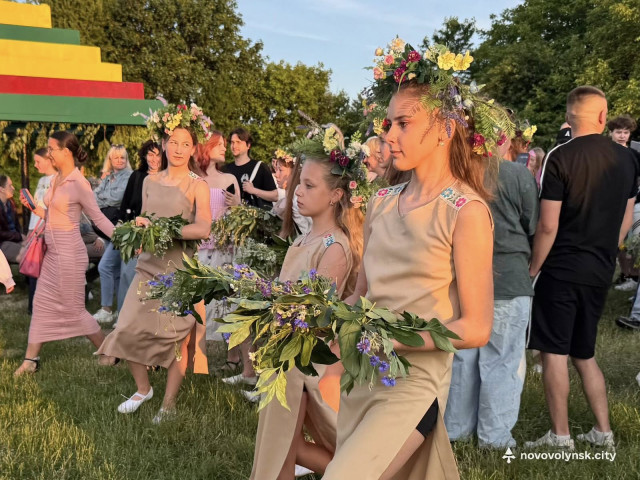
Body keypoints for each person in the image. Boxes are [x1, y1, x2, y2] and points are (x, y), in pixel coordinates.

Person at [321, 41, 499, 480]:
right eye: (389, 124)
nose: (389, 136)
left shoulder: (466, 212)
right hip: (363, 376)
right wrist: (316, 325)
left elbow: (476, 327)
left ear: (445, 129)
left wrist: (392, 340)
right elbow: (362, 297)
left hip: (414, 387)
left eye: (403, 123)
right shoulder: (381, 201)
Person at [526, 86, 637, 450]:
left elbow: (548, 225)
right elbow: (625, 218)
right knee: (584, 353)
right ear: (603, 117)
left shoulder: (559, 156)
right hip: (600, 267)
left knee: (554, 352)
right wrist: (607, 251)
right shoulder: (627, 159)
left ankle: (560, 436)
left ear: (569, 117)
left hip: (561, 268)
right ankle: (603, 432)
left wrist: (533, 269)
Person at [249, 142, 363, 480]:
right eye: (299, 183)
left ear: (335, 195)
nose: (297, 191)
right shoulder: (303, 239)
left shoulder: (335, 245)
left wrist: (271, 306)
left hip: (304, 356)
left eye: (309, 186)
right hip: (284, 350)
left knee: (282, 447)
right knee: (281, 445)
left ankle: (358, 474)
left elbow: (315, 312)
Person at [97, 105, 212, 424]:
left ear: (194, 148)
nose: (178, 149)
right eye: (173, 142)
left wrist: (166, 230)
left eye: (185, 144)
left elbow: (203, 227)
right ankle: (143, 389)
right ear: (163, 143)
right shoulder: (149, 181)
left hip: (179, 272)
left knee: (176, 339)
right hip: (147, 266)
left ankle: (168, 405)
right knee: (125, 327)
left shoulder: (197, 185)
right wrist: (138, 230)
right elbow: (145, 218)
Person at [444, 133, 539, 449]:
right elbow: (533, 223)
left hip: (461, 278)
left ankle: (456, 430)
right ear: (502, 139)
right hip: (508, 277)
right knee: (502, 360)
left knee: (463, 358)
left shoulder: (454, 172)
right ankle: (494, 438)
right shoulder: (515, 174)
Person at [14, 131, 118, 376]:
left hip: (70, 256)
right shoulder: (56, 179)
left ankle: (108, 353)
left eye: (52, 148)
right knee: (41, 304)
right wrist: (34, 207)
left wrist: (123, 237)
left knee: (74, 310)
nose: (49, 153)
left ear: (67, 151)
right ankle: (30, 361)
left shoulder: (79, 183)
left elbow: (98, 218)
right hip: (52, 255)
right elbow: (52, 216)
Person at [195, 132, 241, 347]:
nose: (225, 148)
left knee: (224, 298)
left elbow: (240, 218)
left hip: (223, 249)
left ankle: (229, 348)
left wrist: (237, 206)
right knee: (198, 298)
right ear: (207, 147)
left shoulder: (229, 179)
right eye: (220, 144)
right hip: (198, 248)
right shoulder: (193, 178)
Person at [115, 140, 162, 312]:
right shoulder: (136, 176)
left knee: (151, 278)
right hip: (135, 232)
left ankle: (145, 315)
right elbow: (125, 204)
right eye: (150, 154)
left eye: (158, 155)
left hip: (157, 234)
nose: (154, 159)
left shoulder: (167, 179)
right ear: (144, 156)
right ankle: (122, 315)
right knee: (127, 273)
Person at [92, 145, 133, 323]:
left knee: (104, 266)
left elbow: (118, 198)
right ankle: (119, 309)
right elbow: (93, 197)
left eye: (122, 157)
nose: (119, 160)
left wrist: (104, 198)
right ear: (110, 159)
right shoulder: (109, 177)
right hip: (107, 227)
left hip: (120, 227)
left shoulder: (129, 177)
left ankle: (106, 309)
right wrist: (105, 198)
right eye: (116, 157)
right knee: (114, 270)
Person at [608, 115, 640, 292]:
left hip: (632, 202)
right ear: (611, 133)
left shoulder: (634, 155)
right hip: (610, 203)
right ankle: (624, 274)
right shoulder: (605, 153)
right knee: (615, 241)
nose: (622, 136)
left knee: (631, 241)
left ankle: (633, 276)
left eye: (626, 132)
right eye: (618, 132)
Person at [26, 148, 57, 312]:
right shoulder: (41, 181)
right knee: (34, 267)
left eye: (38, 161)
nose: (35, 165)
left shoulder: (58, 180)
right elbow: (36, 209)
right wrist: (30, 231)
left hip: (49, 231)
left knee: (47, 271)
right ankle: (33, 306)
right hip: (36, 232)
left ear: (49, 160)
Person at [223, 127, 278, 210]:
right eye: (232, 142)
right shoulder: (225, 169)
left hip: (255, 217)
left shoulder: (260, 167)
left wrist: (253, 190)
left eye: (238, 142)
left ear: (248, 145)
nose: (234, 146)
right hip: (230, 216)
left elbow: (275, 196)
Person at [272, 149, 311, 237]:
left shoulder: (298, 198)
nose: (276, 175)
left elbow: (309, 229)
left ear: (293, 172)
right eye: (276, 169)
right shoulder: (286, 198)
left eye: (280, 170)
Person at [0, 175, 24, 263]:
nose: (13, 188)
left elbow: (17, 226)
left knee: (34, 249)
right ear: (2, 189)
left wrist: (22, 238)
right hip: (2, 243)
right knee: (27, 255)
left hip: (13, 240)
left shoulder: (11, 203)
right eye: (10, 185)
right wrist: (19, 236)